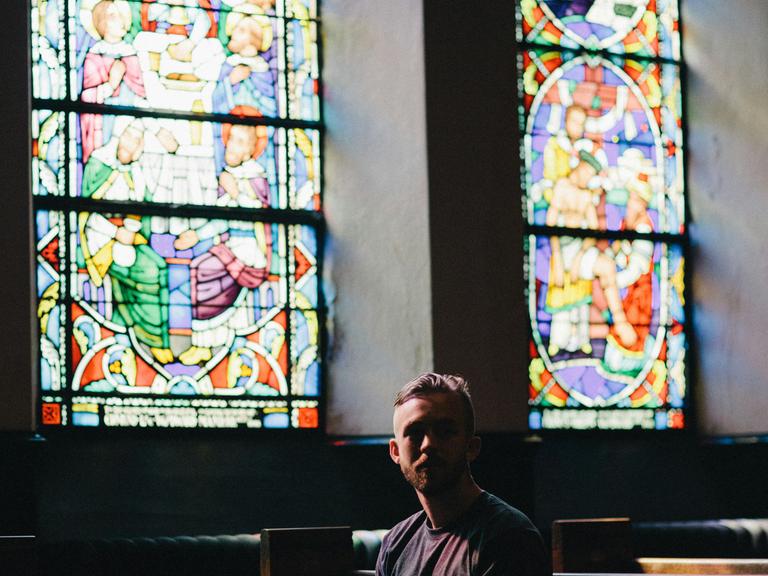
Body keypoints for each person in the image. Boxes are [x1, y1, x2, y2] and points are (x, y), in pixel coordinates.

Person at [376, 373, 548, 576]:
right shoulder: (395, 544)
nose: (428, 445)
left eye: (445, 431)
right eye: (415, 433)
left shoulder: (510, 538)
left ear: (471, 447)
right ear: (395, 452)